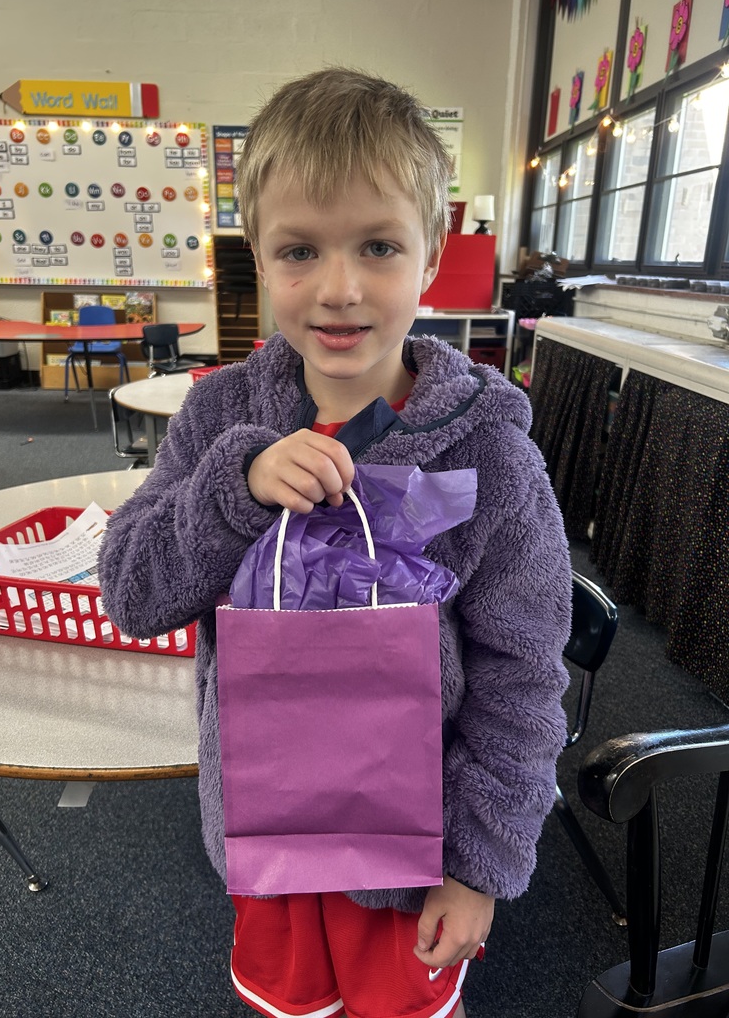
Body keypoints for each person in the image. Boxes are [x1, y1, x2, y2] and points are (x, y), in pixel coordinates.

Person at [98, 67, 571, 1018]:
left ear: (433, 254)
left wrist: (479, 866)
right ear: (259, 261)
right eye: (300, 250)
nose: (340, 289)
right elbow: (132, 591)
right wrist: (232, 489)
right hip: (269, 842)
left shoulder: (492, 460)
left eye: (380, 246)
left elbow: (524, 676)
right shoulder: (220, 418)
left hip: (417, 858)